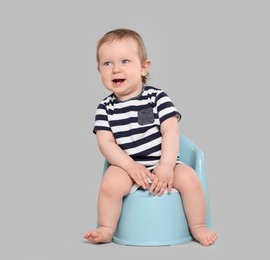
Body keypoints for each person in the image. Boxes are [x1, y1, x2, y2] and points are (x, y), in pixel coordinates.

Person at [83, 28, 218, 246]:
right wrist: (129, 166)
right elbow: (106, 144)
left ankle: (198, 226)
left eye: (125, 61)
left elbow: (171, 131)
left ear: (144, 67)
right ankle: (107, 228)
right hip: (128, 167)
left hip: (164, 162)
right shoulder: (104, 108)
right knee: (110, 184)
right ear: (99, 70)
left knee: (191, 180)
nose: (116, 69)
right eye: (107, 64)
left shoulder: (157, 98)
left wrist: (165, 165)